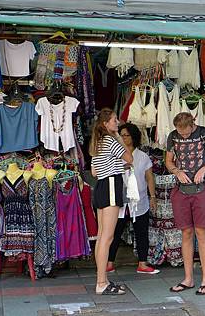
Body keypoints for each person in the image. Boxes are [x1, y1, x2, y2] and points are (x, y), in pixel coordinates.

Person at [165, 112, 205, 295]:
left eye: (185, 133)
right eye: (180, 133)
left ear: (192, 124)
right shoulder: (172, 136)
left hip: (201, 189)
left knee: (201, 232)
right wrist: (176, 171)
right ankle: (188, 279)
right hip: (181, 190)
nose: (182, 136)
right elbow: (168, 161)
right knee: (186, 232)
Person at [89, 108, 133, 295]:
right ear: (106, 124)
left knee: (101, 236)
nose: (118, 123)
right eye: (115, 120)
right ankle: (101, 282)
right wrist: (118, 137)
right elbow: (129, 158)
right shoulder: (110, 140)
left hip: (100, 186)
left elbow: (94, 172)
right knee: (108, 237)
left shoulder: (96, 143)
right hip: (111, 185)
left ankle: (103, 279)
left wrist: (115, 164)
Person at [107, 123, 159, 274]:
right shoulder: (116, 155)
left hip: (140, 199)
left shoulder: (142, 157)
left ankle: (142, 263)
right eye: (121, 135)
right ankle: (109, 262)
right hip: (120, 200)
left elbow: (149, 178)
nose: (123, 138)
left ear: (133, 137)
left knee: (141, 232)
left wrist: (153, 196)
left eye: (126, 135)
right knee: (114, 233)